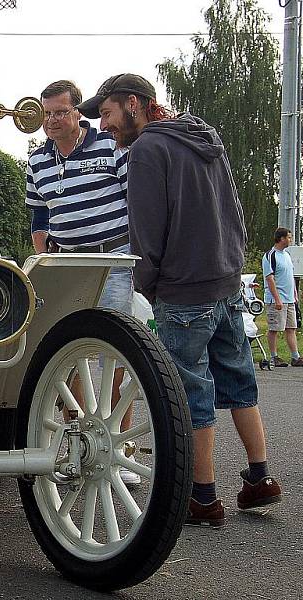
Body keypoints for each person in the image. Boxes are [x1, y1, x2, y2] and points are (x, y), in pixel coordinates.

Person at [79, 73, 283, 527]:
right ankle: (259, 478)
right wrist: (232, 265)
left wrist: (147, 285)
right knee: (238, 382)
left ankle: (203, 497)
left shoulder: (148, 148)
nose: (106, 125)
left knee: (190, 394)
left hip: (183, 290)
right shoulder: (203, 134)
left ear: (135, 103)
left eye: (108, 113)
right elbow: (233, 210)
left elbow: (146, 230)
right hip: (226, 280)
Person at [25, 80, 138, 485]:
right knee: (65, 350)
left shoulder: (111, 146)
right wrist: (44, 254)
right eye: (46, 114)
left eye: (59, 112)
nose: (51, 121)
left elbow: (133, 199)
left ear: (78, 113)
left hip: (111, 260)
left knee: (117, 354)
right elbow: (38, 217)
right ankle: (77, 438)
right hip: (65, 264)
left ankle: (120, 446)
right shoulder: (36, 161)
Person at [262, 227, 301, 367]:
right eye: (289, 237)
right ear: (282, 239)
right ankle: (274, 357)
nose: (290, 240)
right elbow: (270, 278)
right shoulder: (270, 255)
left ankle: (295, 357)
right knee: (274, 328)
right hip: (276, 299)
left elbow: (290, 277)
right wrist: (277, 299)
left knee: (291, 328)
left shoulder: (287, 255)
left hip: (289, 299)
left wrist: (295, 295)